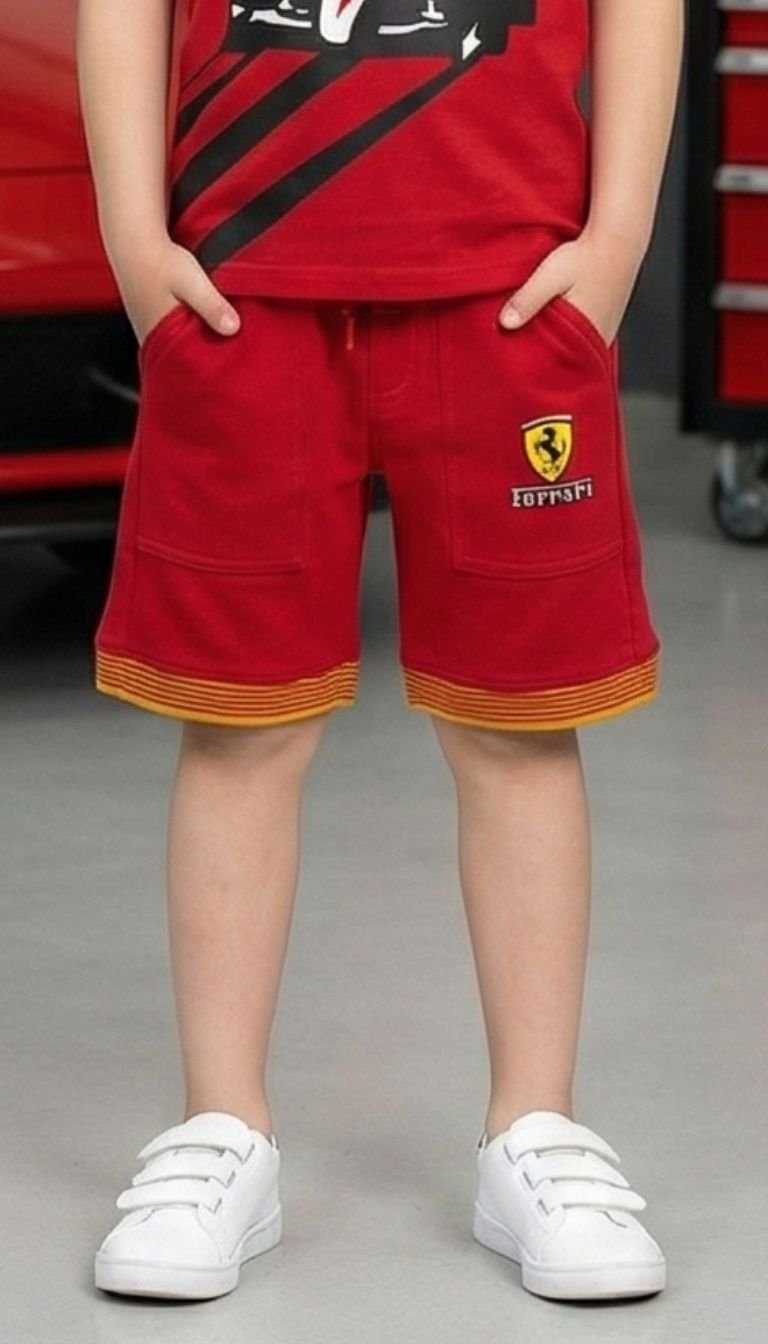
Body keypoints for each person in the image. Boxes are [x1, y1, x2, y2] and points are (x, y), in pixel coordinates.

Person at [76, 0, 684, 1304]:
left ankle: (535, 1129)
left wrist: (618, 235)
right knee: (238, 725)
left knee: (520, 726)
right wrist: (133, 234)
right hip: (243, 294)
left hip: (511, 293)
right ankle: (222, 1130)